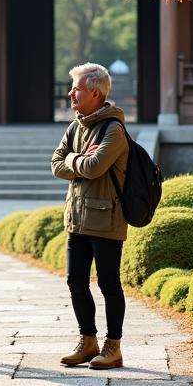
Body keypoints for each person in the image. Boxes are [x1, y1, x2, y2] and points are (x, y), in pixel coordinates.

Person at [50, 62, 130, 370]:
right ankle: (88, 340)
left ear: (95, 93)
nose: (70, 93)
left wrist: (77, 161)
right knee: (75, 281)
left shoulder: (114, 129)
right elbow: (56, 163)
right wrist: (76, 157)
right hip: (77, 218)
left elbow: (95, 167)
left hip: (107, 219)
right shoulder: (75, 126)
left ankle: (114, 346)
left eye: (77, 89)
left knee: (109, 283)